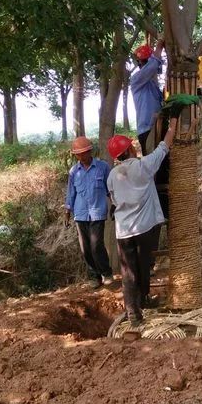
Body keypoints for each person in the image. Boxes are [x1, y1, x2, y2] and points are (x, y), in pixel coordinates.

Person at [107, 118, 178, 327]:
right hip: (143, 229)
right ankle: (141, 303)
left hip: (123, 231)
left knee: (128, 272)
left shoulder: (112, 175)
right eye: (132, 146)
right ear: (129, 150)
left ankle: (134, 311)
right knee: (143, 265)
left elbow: (113, 200)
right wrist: (172, 126)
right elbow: (164, 147)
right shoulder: (143, 166)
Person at [65, 136, 114, 290]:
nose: (82, 156)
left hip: (97, 211)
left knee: (96, 245)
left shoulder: (103, 167)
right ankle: (95, 276)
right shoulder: (74, 171)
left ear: (90, 151)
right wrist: (67, 210)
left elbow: (111, 189)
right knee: (85, 248)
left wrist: (115, 204)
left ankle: (106, 273)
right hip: (80, 214)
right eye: (78, 154)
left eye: (84, 153)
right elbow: (70, 193)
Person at [130, 40, 165, 155]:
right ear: (141, 63)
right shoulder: (136, 79)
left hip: (158, 126)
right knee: (153, 168)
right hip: (147, 130)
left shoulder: (153, 85)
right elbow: (153, 65)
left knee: (164, 166)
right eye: (147, 62)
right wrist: (159, 46)